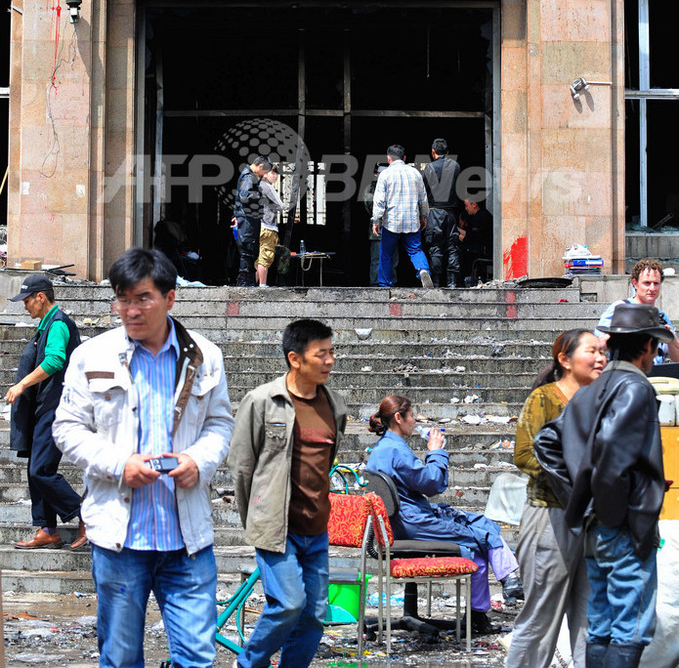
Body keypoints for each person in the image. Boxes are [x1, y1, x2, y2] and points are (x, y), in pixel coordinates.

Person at [53, 247, 234, 668]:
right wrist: (121, 465)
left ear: (170, 298)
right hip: (120, 540)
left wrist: (198, 460)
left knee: (197, 658)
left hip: (186, 541)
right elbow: (67, 429)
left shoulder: (205, 356)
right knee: (120, 658)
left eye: (142, 298)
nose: (131, 310)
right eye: (122, 298)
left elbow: (220, 423)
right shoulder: (91, 355)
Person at [534, 303, 671, 668]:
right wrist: (614, 507)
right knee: (631, 627)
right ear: (647, 347)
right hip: (621, 525)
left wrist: (583, 495)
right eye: (655, 347)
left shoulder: (590, 390)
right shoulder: (635, 387)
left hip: (597, 525)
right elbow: (611, 450)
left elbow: (547, 443)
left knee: (601, 625)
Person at [228, 318, 347, 668]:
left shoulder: (335, 405)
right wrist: (257, 518)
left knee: (314, 614)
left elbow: (328, 461)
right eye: (321, 354)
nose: (329, 361)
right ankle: (248, 664)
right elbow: (242, 466)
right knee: (288, 604)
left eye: (332, 352)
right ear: (295, 359)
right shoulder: (262, 401)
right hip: (277, 529)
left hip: (317, 529)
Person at [366, 394, 522, 635]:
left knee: (480, 524)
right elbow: (432, 483)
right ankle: (505, 585)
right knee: (479, 537)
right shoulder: (395, 450)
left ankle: (497, 593)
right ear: (398, 417)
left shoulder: (382, 448)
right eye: (411, 415)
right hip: (412, 523)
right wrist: (436, 451)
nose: (415, 420)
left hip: (402, 521)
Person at [505, 329, 607, 668]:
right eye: (591, 351)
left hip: (592, 519)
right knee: (541, 618)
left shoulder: (601, 400)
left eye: (602, 351)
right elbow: (525, 455)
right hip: (551, 516)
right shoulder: (545, 398)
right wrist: (576, 479)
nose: (600, 358)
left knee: (591, 618)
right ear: (565, 359)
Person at [5, 274, 86, 551]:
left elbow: (55, 361)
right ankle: (47, 529)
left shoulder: (59, 324)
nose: (25, 306)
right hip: (44, 407)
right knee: (35, 469)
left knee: (41, 469)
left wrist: (21, 385)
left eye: (27, 300)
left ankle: (87, 513)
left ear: (41, 297)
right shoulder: (45, 326)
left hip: (58, 407)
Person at [371, 144, 433, 288]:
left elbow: (379, 201)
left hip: (391, 222)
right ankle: (423, 270)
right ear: (404, 158)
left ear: (389, 158)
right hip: (412, 221)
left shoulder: (385, 174)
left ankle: (385, 285)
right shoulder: (415, 173)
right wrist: (424, 216)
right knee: (415, 250)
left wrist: (376, 220)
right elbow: (423, 199)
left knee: (386, 254)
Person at [595, 258, 679, 363]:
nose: (652, 288)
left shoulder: (662, 316)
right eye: (647, 283)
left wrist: (671, 339)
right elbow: (599, 344)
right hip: (626, 369)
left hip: (655, 371)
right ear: (635, 283)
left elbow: (677, 359)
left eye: (656, 283)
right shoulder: (620, 308)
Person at [421, 137, 462, 288]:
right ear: (447, 151)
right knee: (452, 247)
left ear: (433, 152)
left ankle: (436, 282)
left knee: (435, 248)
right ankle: (452, 282)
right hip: (451, 212)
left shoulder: (429, 168)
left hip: (434, 212)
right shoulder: (455, 166)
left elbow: (423, 191)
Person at [232, 155, 272, 286]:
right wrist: (261, 197)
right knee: (248, 251)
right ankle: (244, 282)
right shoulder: (249, 177)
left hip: (248, 219)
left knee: (250, 251)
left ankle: (247, 282)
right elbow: (245, 196)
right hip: (247, 220)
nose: (263, 175)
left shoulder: (249, 176)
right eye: (264, 172)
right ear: (260, 166)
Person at [255, 166, 286, 287]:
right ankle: (262, 285)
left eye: (276, 174)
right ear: (265, 174)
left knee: (259, 258)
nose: (276, 176)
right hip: (268, 226)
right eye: (273, 173)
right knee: (265, 257)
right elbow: (281, 205)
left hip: (259, 225)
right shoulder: (267, 187)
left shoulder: (257, 186)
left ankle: (254, 284)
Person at [456, 198, 493, 285]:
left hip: (482, 250)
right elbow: (470, 234)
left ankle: (461, 281)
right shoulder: (480, 215)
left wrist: (457, 236)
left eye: (466, 205)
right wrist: (456, 229)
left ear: (474, 204)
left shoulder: (480, 217)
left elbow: (472, 238)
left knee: (459, 253)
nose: (465, 208)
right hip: (480, 247)